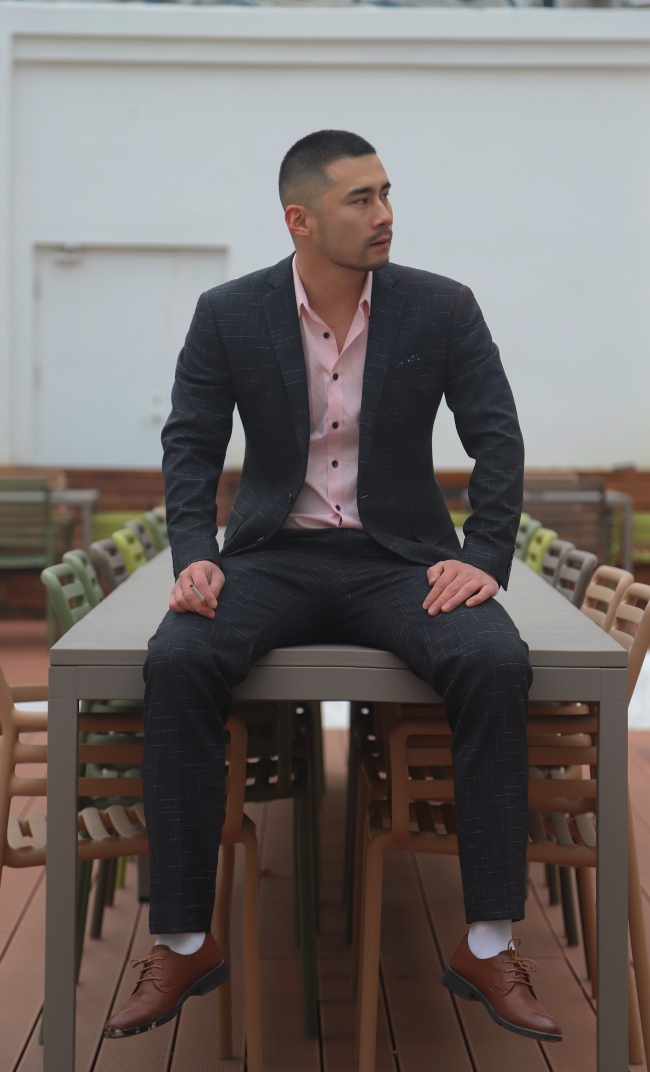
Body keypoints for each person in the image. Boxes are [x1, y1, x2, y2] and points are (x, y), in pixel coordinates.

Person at [104, 129, 562, 1044]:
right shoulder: (230, 313)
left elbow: (496, 435)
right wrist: (194, 551)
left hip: (401, 560)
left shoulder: (442, 307)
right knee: (180, 658)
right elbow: (190, 442)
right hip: (273, 555)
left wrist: (484, 555)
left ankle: (487, 940)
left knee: (493, 660)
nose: (385, 213)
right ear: (301, 220)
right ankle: (184, 939)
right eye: (361, 198)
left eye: (387, 193)